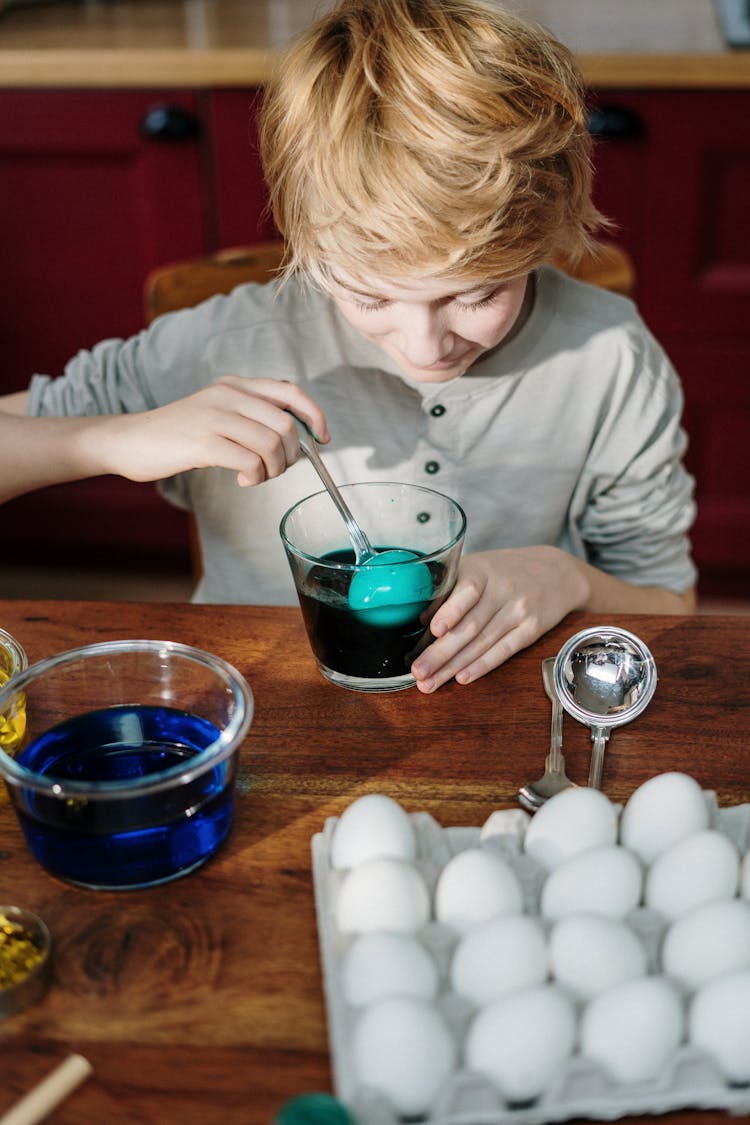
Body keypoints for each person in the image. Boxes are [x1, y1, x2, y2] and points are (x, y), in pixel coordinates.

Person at [0, 0, 696, 694]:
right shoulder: (224, 345)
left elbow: (671, 607)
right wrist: (114, 440)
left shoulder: (610, 360)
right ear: (307, 244)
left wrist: (569, 578)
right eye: (370, 298)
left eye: (478, 295)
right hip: (257, 712)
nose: (424, 345)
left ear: (543, 240)